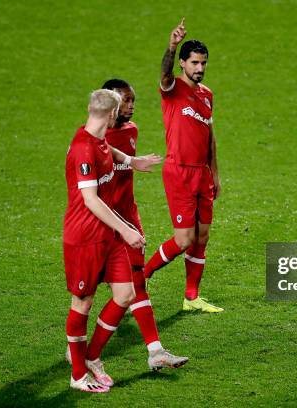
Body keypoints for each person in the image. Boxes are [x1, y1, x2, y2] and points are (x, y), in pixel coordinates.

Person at [102, 78, 189, 369]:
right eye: (126, 101)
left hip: (129, 218)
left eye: (132, 100)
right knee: (87, 293)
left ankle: (155, 351)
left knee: (136, 284)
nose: (131, 106)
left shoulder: (132, 130)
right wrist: (131, 161)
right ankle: (79, 349)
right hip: (102, 221)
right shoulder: (93, 138)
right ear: (110, 104)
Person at [63, 89, 146, 392]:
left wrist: (132, 161)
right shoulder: (83, 148)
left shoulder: (97, 139)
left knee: (125, 295)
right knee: (82, 303)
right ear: (113, 114)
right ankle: (77, 375)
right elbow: (90, 200)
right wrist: (126, 229)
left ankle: (92, 357)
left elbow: (110, 150)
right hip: (85, 237)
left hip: (107, 235)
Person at [143, 18, 223, 313]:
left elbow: (210, 136)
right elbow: (164, 70)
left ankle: (192, 297)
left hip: (202, 173)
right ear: (183, 64)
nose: (200, 68)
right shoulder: (172, 88)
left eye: (203, 63)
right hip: (178, 172)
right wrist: (171, 46)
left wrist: (214, 173)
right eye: (194, 63)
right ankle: (142, 276)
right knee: (184, 239)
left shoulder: (207, 95)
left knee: (202, 235)